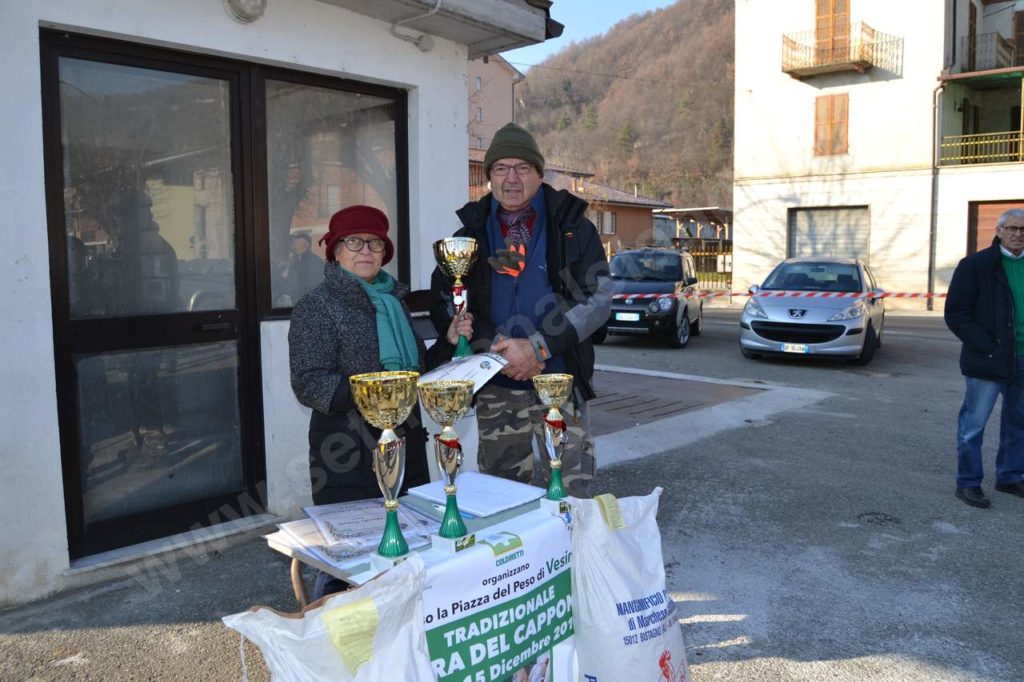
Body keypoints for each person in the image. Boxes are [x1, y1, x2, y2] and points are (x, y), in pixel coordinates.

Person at [289, 204, 469, 597]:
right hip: (347, 455)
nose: (365, 250)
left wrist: (448, 343)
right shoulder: (316, 307)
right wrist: (377, 391)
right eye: (353, 242)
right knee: (351, 567)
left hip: (407, 450)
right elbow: (308, 383)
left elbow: (416, 376)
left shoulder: (393, 303)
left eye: (374, 242)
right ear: (334, 251)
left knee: (407, 553)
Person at [429, 122, 612, 498]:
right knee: (501, 495)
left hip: (560, 380)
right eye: (500, 169)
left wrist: (538, 347)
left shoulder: (572, 225)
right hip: (497, 384)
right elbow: (447, 298)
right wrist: (495, 345)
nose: (511, 178)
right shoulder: (471, 231)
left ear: (539, 173)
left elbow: (599, 298)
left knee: (572, 491)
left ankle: (574, 557)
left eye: (522, 168)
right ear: (489, 176)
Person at [945, 208, 1024, 508]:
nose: (1019, 234)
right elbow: (956, 313)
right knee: (974, 424)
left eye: (1023, 229)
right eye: (1013, 228)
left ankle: (1010, 476)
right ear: (1000, 231)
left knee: (1019, 424)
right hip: (989, 358)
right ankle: (968, 482)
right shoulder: (976, 265)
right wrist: (986, 345)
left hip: (1023, 359)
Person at [279, 231, 323, 305]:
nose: (293, 245)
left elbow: (311, 285)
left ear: (306, 245)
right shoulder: (295, 262)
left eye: (296, 243)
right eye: (293, 243)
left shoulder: (313, 262)